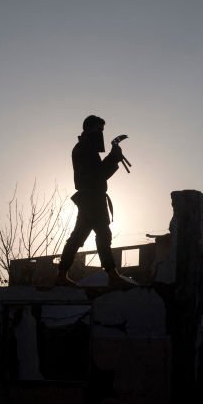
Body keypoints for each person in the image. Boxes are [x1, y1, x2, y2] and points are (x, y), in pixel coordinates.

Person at [55, 115, 134, 288]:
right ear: (89, 128)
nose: (101, 133)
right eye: (99, 129)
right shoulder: (84, 148)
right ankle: (112, 275)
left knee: (80, 236)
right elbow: (98, 175)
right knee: (101, 234)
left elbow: (98, 174)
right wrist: (113, 157)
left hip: (92, 198)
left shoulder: (85, 148)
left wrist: (113, 158)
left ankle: (62, 274)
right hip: (91, 198)